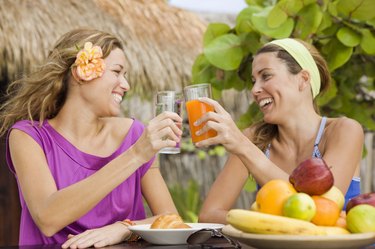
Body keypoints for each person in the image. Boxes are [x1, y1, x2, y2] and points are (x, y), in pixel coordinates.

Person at [0, 28, 183, 248]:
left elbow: (172, 220)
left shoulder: (134, 134)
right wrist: (135, 155)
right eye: (117, 72)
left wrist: (124, 229)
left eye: (125, 76)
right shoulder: (28, 136)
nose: (126, 85)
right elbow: (48, 218)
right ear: (80, 72)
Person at [194, 38, 364, 224]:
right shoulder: (254, 139)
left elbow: (319, 210)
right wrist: (264, 225)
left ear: (303, 79)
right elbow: (209, 215)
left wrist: (242, 146)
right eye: (254, 81)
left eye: (266, 76)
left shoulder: (344, 131)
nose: (255, 89)